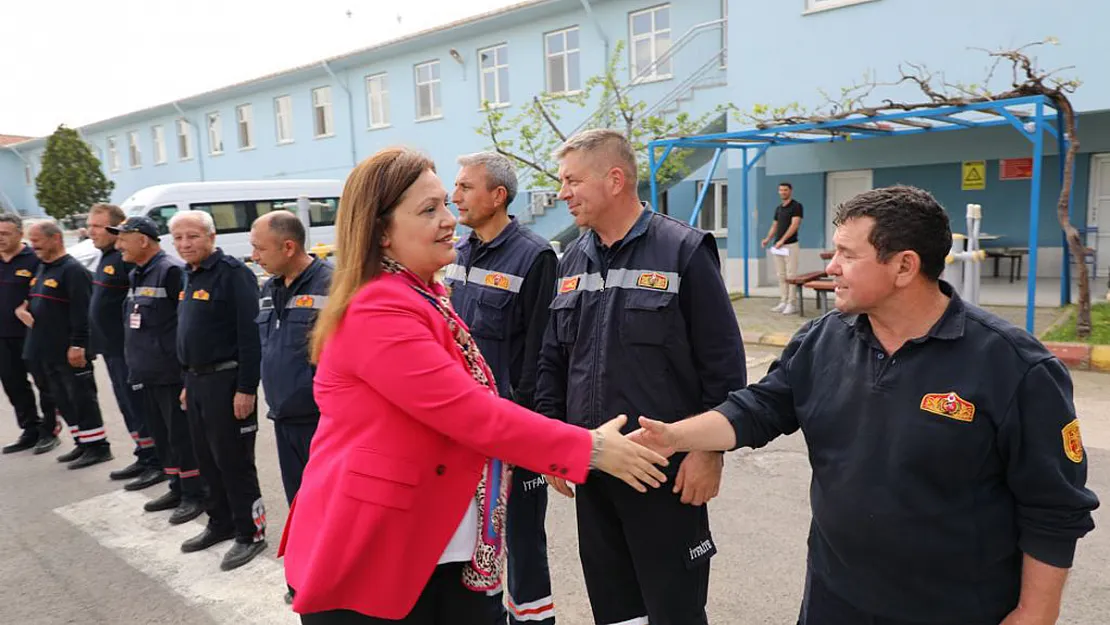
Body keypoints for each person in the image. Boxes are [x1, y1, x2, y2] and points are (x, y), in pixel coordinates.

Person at [632, 185, 1101, 625]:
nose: (831, 266)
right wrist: (676, 436)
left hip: (956, 608)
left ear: (903, 266)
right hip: (835, 600)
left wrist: (1035, 616)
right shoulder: (822, 339)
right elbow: (759, 408)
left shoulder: (1014, 366)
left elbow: (1054, 509)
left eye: (847, 255)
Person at [279, 146, 670, 625]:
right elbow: (470, 414)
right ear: (381, 231)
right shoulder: (378, 309)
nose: (450, 219)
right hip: (376, 552)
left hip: (440, 544)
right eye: (429, 209)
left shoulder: (424, 295)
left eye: (446, 202)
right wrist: (590, 449)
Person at [534, 129, 747, 625]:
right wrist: (553, 445)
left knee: (674, 610)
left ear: (614, 179)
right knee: (615, 611)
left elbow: (723, 364)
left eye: (571, 180)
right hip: (595, 469)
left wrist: (709, 450)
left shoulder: (683, 250)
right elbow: (552, 362)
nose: (562, 192)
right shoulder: (572, 259)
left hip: (664, 473)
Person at [447, 152, 559, 625]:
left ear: (498, 196)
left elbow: (543, 354)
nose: (455, 197)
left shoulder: (535, 257)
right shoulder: (458, 251)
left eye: (466, 187)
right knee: (470, 538)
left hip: (512, 428)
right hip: (463, 426)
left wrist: (531, 434)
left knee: (522, 543)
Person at [171, 210, 267, 571]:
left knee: (234, 461)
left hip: (227, 382)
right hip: (196, 382)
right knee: (207, 459)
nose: (184, 244)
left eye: (192, 236)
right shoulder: (188, 274)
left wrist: (246, 388)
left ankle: (251, 532)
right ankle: (220, 522)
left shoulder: (232, 274)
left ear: (211, 237)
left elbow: (249, 335)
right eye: (178, 238)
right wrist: (186, 381)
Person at [112, 216, 206, 525]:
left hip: (169, 373)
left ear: (143, 240)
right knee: (164, 437)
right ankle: (177, 486)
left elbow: (186, 323)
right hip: (147, 372)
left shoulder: (170, 271)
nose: (118, 244)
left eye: (123, 237)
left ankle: (195, 493)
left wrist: (186, 373)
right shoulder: (139, 272)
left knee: (182, 437)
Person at [250, 210, 332, 503]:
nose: (254, 256)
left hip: (321, 423)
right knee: (299, 504)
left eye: (260, 248)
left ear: (288, 247)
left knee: (327, 504)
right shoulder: (268, 288)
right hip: (284, 419)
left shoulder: (332, 285)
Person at [21, 221, 113, 469]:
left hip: (69, 351)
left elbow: (83, 313)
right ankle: (82, 442)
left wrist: (78, 345)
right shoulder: (43, 268)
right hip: (47, 351)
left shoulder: (72, 271)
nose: (33, 246)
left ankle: (98, 446)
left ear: (56, 239)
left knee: (81, 397)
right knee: (64, 400)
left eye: (37, 240)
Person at [86, 204, 165, 489]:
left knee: (140, 407)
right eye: (90, 225)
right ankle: (144, 454)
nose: (90, 231)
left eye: (97, 226)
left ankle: (156, 460)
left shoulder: (126, 261)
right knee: (127, 406)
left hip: (128, 349)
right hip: (111, 348)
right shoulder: (107, 257)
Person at [0, 212, 58, 455]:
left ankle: (49, 429)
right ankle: (29, 428)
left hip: (31, 335)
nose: (0, 238)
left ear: (20, 234)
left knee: (45, 384)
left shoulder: (34, 259)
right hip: (3, 336)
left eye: (5, 234)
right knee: (14, 385)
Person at [761, 182, 803, 315]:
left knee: (791, 275)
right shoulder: (779, 208)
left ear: (790, 191)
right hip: (778, 246)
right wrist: (768, 239)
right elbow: (775, 225)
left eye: (785, 190)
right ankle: (783, 301)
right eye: (781, 190)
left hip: (790, 245)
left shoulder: (796, 206)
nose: (783, 192)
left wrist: (783, 240)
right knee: (781, 275)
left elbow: (794, 225)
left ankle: (792, 303)